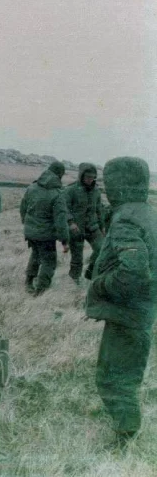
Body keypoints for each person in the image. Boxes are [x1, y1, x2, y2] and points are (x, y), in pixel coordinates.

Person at [85, 157, 157, 449]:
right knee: (125, 373)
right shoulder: (147, 212)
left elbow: (135, 270)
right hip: (141, 311)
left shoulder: (126, 216)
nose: (104, 188)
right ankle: (125, 429)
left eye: (109, 182)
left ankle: (124, 439)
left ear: (121, 184)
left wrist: (102, 285)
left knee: (114, 378)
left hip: (128, 313)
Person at [19, 161, 70, 295]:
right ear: (60, 175)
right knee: (49, 262)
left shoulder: (32, 187)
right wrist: (64, 240)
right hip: (45, 235)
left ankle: (29, 282)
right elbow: (61, 220)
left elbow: (23, 208)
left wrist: (27, 224)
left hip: (30, 232)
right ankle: (41, 290)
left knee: (35, 255)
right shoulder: (58, 193)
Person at [64, 163, 105, 284]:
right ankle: (75, 278)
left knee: (102, 249)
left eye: (92, 177)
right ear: (81, 176)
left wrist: (102, 226)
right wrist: (70, 222)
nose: (90, 179)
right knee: (77, 257)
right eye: (87, 177)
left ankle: (90, 273)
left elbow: (99, 209)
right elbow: (65, 208)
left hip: (93, 227)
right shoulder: (71, 190)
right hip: (77, 228)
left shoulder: (96, 191)